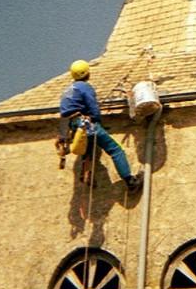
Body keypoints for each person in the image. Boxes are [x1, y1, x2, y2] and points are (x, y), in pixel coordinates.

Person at [57, 60, 143, 192]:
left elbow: (64, 114)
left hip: (75, 127)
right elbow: (93, 106)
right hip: (85, 124)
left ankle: (86, 173)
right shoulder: (84, 87)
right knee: (115, 150)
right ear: (87, 74)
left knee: (88, 150)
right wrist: (97, 120)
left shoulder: (67, 91)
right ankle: (130, 182)